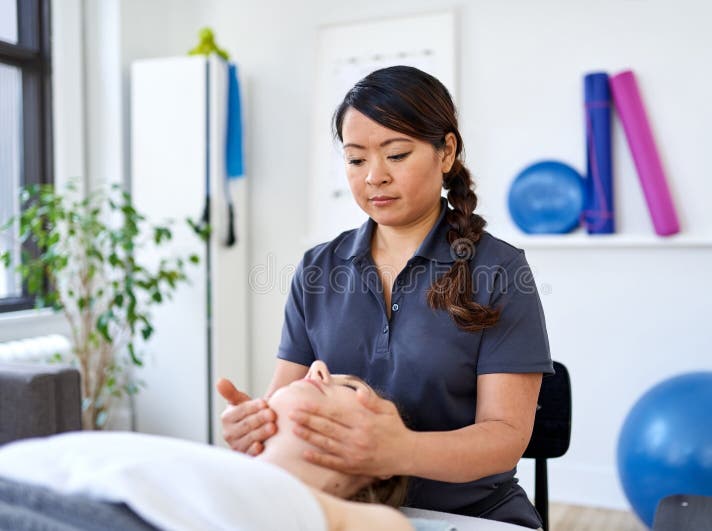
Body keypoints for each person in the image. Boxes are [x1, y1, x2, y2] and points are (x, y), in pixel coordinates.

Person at [219, 65, 553, 529]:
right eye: (356, 160)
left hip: (470, 514)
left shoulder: (499, 271)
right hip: (341, 509)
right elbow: (284, 401)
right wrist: (256, 425)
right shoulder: (318, 270)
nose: (374, 176)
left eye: (396, 154)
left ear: (446, 153)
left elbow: (506, 437)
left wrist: (400, 450)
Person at [0, 361, 413, 531]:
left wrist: (393, 455)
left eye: (348, 386)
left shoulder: (330, 512)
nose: (319, 366)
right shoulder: (220, 468)